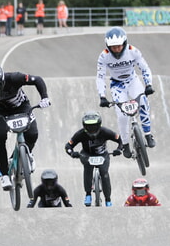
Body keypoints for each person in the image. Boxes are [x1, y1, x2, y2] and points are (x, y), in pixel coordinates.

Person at [0, 60, 51, 190]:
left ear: (0, 79)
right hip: (0, 112)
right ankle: (4, 175)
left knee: (32, 134)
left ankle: (27, 154)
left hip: (22, 107)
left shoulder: (14, 78)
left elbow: (37, 79)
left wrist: (44, 97)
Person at [96, 26, 156, 159]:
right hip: (117, 85)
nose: (116, 49)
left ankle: (148, 134)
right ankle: (126, 144)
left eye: (119, 46)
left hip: (133, 81)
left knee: (143, 104)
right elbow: (100, 77)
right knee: (122, 116)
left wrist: (148, 85)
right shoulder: (104, 56)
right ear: (108, 46)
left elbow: (145, 69)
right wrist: (102, 96)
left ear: (124, 43)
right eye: (113, 47)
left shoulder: (133, 51)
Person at [65, 111, 123, 207]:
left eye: (94, 126)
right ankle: (88, 194)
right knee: (87, 170)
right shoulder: (80, 134)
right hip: (86, 155)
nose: (92, 129)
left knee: (104, 174)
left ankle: (108, 200)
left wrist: (119, 150)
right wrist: (72, 153)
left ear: (99, 125)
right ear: (84, 126)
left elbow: (120, 140)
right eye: (89, 126)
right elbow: (68, 146)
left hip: (103, 155)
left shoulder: (106, 132)